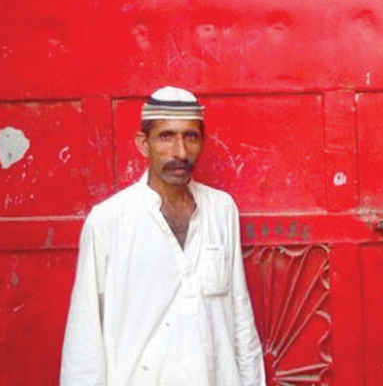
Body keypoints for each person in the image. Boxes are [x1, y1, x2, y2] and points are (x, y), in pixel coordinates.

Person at [61, 86, 266, 386]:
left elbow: (240, 315)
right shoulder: (108, 221)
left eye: (190, 136)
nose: (180, 152)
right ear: (144, 144)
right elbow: (85, 333)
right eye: (166, 136)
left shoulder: (221, 210)